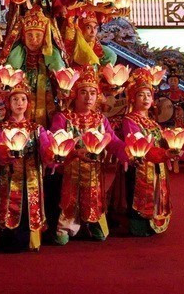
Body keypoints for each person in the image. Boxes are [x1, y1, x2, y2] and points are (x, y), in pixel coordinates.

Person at [49, 67, 126, 244]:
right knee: (68, 202)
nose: (88, 97)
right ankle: (64, 227)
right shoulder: (63, 118)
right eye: (83, 92)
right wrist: (74, 153)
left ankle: (94, 223)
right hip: (69, 173)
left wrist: (132, 151)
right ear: (75, 94)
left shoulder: (100, 119)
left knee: (95, 208)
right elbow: (54, 143)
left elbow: (113, 142)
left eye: (93, 93)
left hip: (93, 173)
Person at [0, 81, 50, 251]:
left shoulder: (36, 128)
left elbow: (46, 149)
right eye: (15, 100)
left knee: (28, 207)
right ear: (8, 104)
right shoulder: (1, 127)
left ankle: (30, 241)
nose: (19, 103)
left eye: (23, 99)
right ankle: (6, 241)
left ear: (28, 103)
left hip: (31, 177)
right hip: (8, 177)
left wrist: (53, 153)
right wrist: (5, 154)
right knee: (7, 205)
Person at [117, 69, 173, 236]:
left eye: (149, 95)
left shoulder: (153, 123)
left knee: (157, 193)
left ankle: (154, 221)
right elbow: (137, 144)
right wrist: (164, 154)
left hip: (157, 165)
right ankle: (138, 226)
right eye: (141, 95)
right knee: (139, 195)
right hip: (140, 166)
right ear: (133, 98)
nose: (146, 99)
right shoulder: (129, 120)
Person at [0, 6, 66, 127]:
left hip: (45, 98)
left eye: (38, 36)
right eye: (29, 35)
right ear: (23, 36)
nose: (34, 39)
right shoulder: (17, 55)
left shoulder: (51, 56)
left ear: (45, 37)